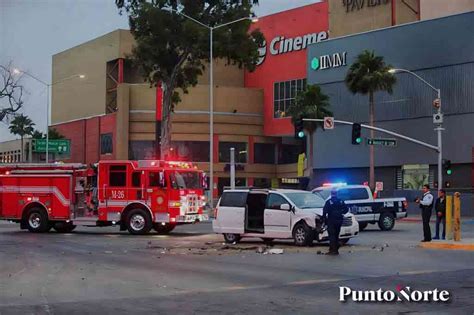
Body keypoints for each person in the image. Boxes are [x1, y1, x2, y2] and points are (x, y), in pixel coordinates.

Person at [322, 189, 349, 255]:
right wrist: (341, 213)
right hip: (339, 219)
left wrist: (324, 220)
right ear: (336, 194)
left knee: (331, 235)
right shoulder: (340, 201)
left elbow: (325, 211)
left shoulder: (329, 202)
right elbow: (346, 209)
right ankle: (335, 249)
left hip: (332, 220)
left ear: (331, 194)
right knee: (336, 234)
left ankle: (333, 250)